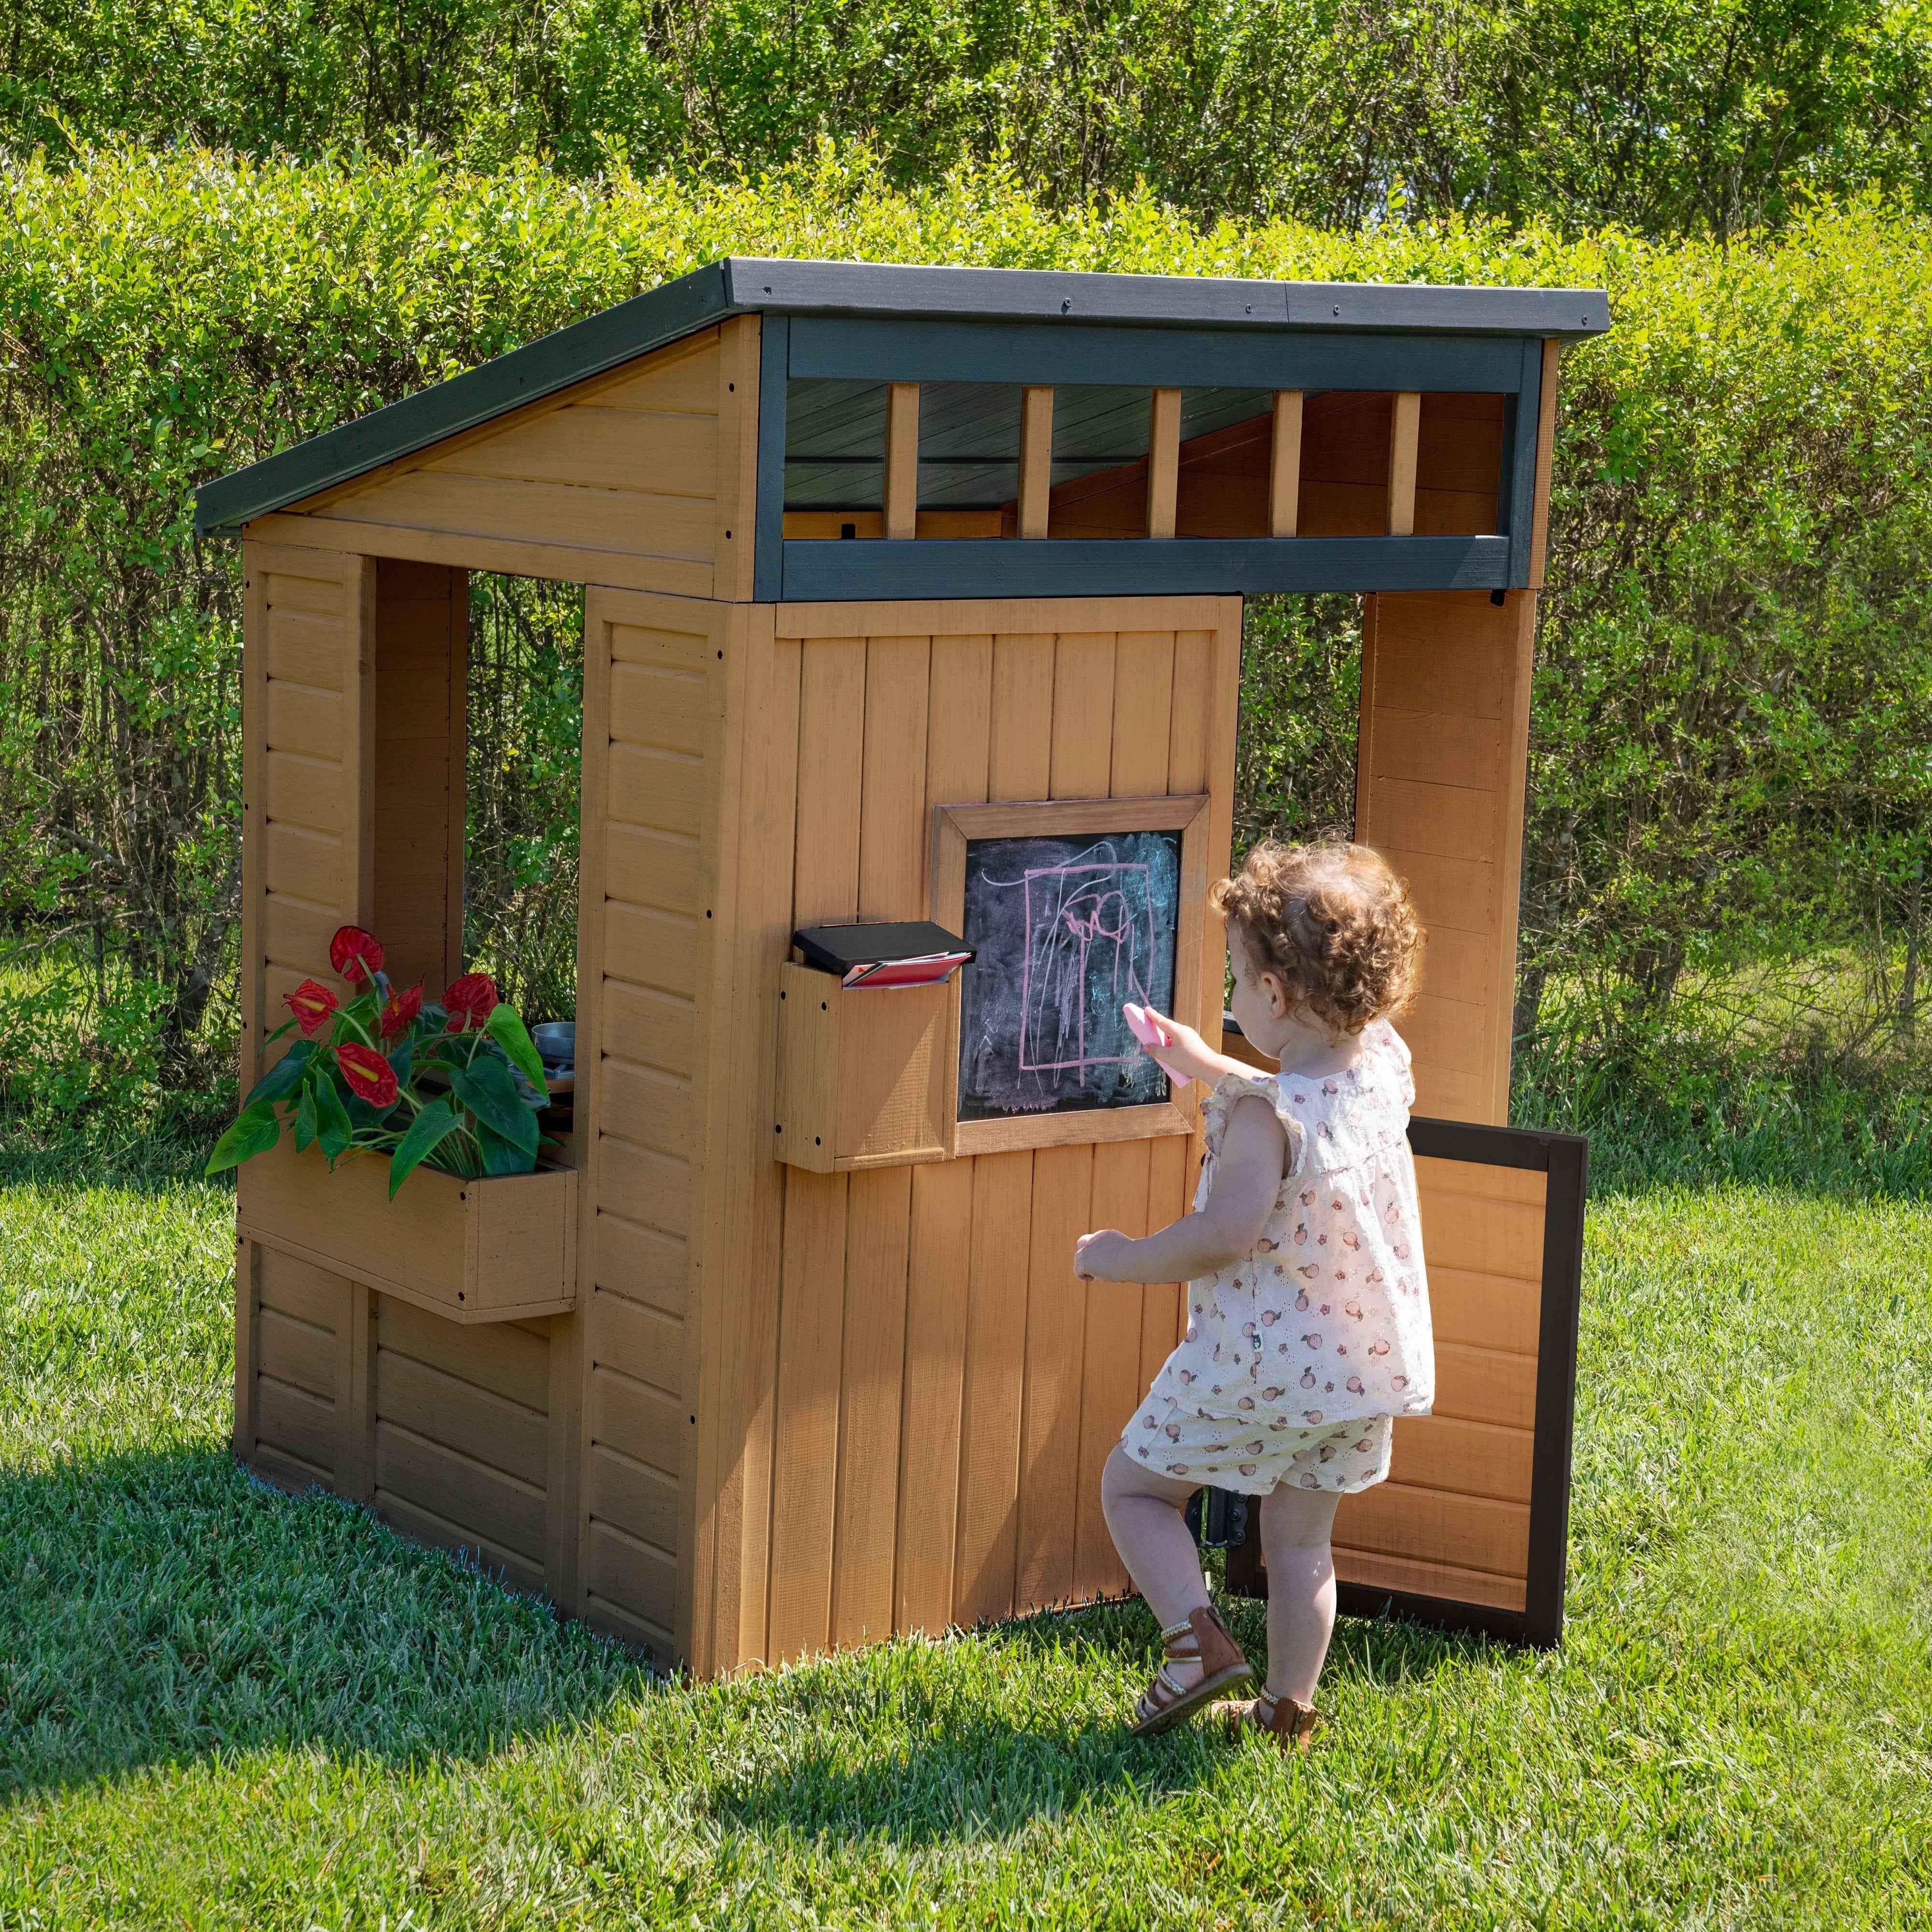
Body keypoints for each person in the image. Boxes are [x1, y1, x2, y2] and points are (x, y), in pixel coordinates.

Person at [1074, 838, 1432, 1750]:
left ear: (1275, 996)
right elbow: (1304, 1094)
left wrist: (1120, 1257)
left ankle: (1194, 1645)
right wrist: (1204, 1062)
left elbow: (1222, 1235)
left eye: (1237, 981)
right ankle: (1286, 1714)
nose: (1233, 1000)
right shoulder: (1382, 1066)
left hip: (1257, 1365)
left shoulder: (1261, 1120)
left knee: (1137, 1492)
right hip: (1357, 1370)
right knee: (1302, 1541)